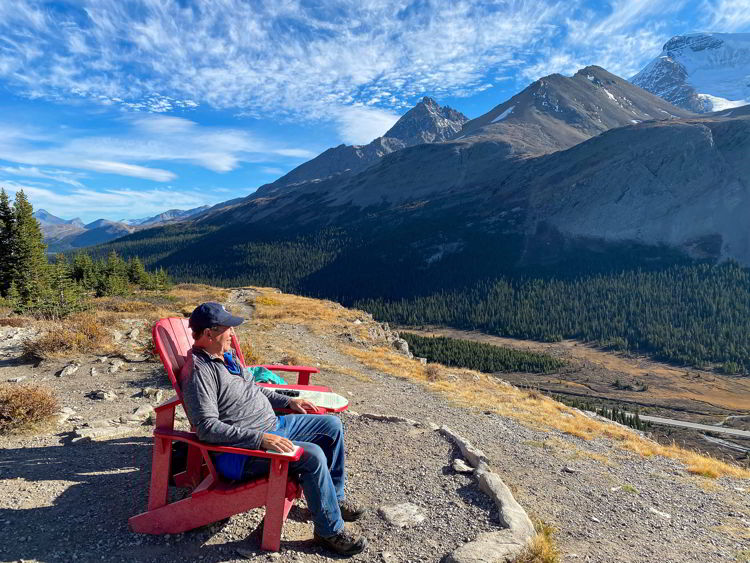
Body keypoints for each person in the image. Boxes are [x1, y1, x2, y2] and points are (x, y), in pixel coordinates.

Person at [179, 302, 367, 556]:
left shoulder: (225, 358)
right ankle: (328, 531)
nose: (233, 334)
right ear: (209, 334)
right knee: (311, 456)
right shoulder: (200, 372)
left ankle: (332, 498)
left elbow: (254, 390)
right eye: (228, 329)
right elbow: (206, 428)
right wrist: (260, 440)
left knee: (331, 425)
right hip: (242, 453)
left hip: (273, 427)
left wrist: (288, 401)